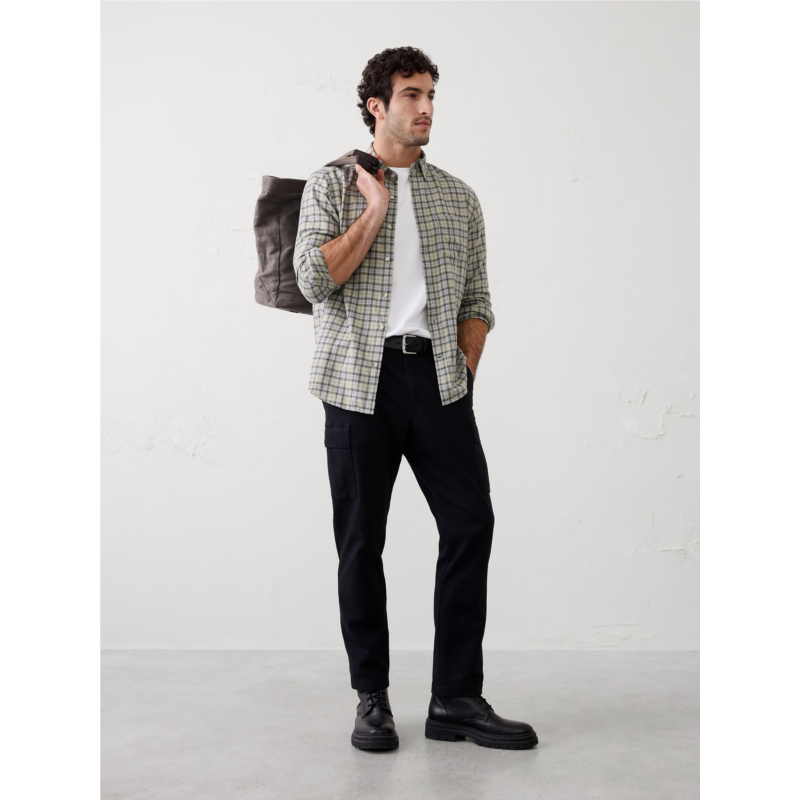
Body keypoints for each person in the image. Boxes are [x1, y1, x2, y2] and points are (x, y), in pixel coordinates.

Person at [293, 46, 537, 752]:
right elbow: (313, 281)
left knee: (470, 523)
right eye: (411, 94)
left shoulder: (458, 196)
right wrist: (375, 209)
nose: (426, 107)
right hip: (356, 383)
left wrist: (462, 368)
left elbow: (477, 298)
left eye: (431, 94)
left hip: (437, 381)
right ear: (377, 105)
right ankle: (371, 698)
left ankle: (455, 698)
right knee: (361, 541)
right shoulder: (331, 184)